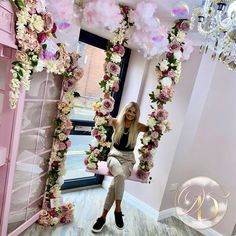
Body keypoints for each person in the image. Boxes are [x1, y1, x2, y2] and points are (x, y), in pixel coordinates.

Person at [92, 101, 148, 233]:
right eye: (129, 111)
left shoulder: (138, 126)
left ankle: (102, 217)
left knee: (114, 185)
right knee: (119, 175)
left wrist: (159, 122)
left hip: (128, 159)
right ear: (125, 111)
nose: (131, 114)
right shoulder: (116, 122)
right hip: (114, 156)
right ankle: (118, 210)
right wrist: (104, 103)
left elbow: (154, 130)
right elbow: (102, 119)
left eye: (134, 112)